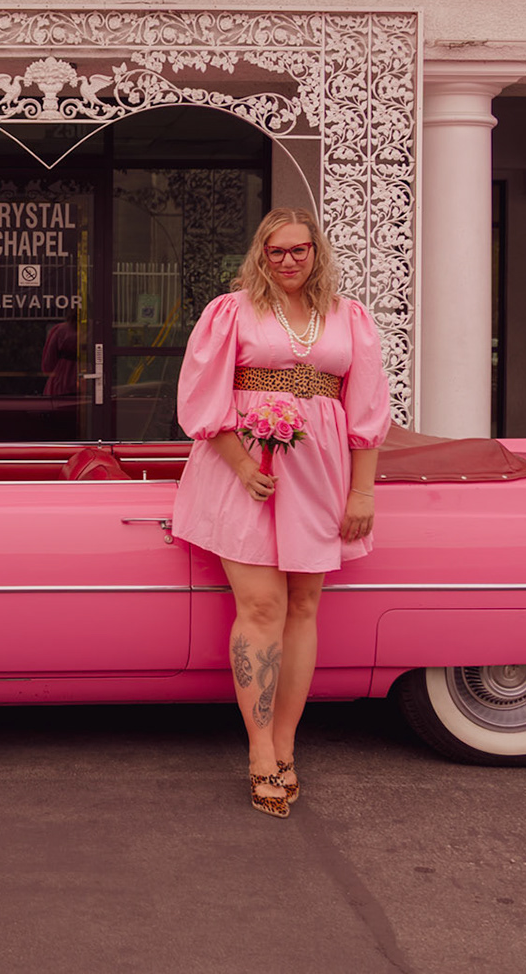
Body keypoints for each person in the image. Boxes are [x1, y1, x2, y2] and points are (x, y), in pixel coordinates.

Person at [171, 208, 390, 818]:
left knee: (304, 607)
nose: (288, 261)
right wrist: (244, 466)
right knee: (263, 607)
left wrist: (363, 493)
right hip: (242, 473)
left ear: (316, 252)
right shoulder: (232, 312)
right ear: (261, 255)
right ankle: (260, 749)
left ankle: (287, 743)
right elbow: (203, 399)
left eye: (299, 250)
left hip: (320, 475)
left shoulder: (349, 317)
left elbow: (367, 411)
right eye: (276, 251)